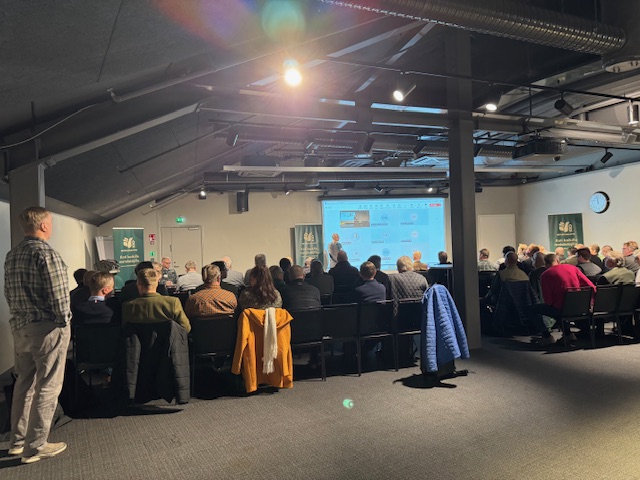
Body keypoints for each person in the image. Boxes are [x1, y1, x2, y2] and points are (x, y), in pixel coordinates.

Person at [5, 206, 71, 463]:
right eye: (50, 223)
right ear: (43, 225)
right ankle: (36, 446)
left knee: (24, 383)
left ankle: (17, 442)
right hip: (46, 328)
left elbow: (8, 293)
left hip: (20, 327)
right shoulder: (46, 253)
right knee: (48, 385)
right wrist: (64, 322)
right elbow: (59, 296)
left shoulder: (12, 254)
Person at [122, 268, 191, 333]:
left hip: (139, 342)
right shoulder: (172, 303)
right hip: (168, 341)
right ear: (157, 283)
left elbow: (125, 330)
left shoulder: (129, 306)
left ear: (139, 285)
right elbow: (186, 328)